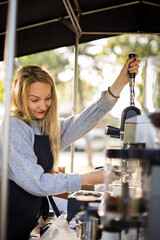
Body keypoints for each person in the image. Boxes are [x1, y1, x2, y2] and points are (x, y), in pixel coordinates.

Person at [0, 55, 140, 240]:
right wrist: (86, 178)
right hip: (8, 221)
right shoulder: (14, 126)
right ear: (19, 97)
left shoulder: (43, 126)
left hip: (27, 222)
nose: (43, 105)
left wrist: (119, 83)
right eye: (35, 100)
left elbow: (83, 121)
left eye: (48, 98)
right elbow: (37, 183)